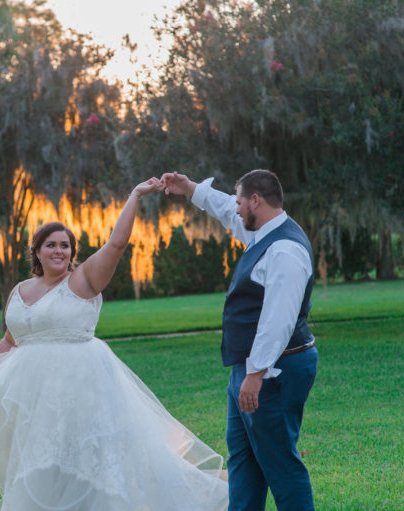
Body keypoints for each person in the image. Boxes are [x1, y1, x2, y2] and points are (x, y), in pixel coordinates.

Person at [0, 177, 228, 511]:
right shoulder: (19, 291)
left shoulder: (83, 281)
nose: (59, 251)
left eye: (65, 245)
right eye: (51, 244)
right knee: (41, 461)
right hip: (35, 396)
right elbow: (10, 340)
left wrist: (135, 194)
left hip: (83, 389)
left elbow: (117, 244)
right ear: (37, 250)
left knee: (89, 460)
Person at [161, 169, 318, 511]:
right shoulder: (263, 233)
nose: (236, 208)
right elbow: (225, 211)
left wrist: (256, 373)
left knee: (279, 462)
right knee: (243, 462)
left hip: (275, 372)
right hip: (248, 372)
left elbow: (278, 320)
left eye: (240, 201)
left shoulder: (285, 251)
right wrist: (190, 189)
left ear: (256, 201)